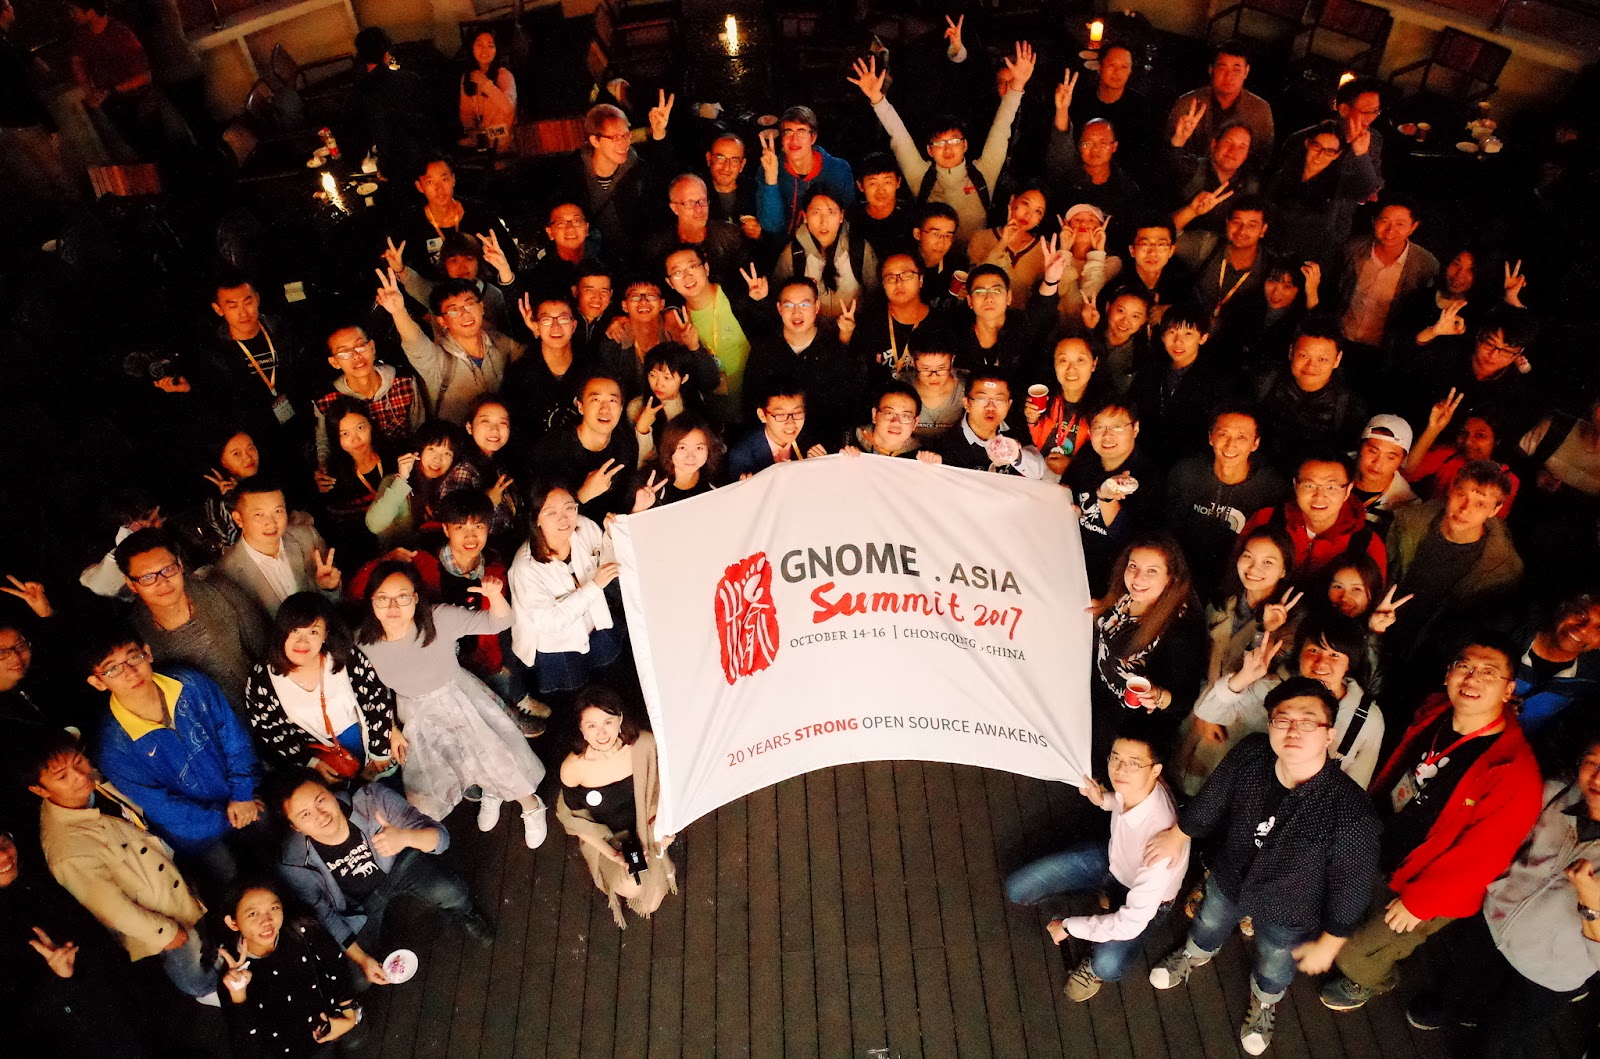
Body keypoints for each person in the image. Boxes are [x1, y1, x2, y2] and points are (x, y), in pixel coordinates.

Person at [1144, 678, 1381, 1056]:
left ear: (1329, 734)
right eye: (1282, 719)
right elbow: (1214, 795)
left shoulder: (1351, 812)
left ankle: (1265, 1000)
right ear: (1270, 725)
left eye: (1308, 721)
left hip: (1290, 906)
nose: (1293, 730)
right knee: (1209, 919)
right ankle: (1195, 953)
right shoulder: (1253, 753)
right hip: (1231, 873)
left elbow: (1351, 885)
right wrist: (1179, 833)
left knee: (1275, 958)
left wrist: (1331, 940)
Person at [1317, 637, 1541, 1014]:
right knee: (1349, 910)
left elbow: (1482, 859)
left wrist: (1420, 903)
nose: (1472, 678)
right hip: (1384, 844)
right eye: (1464, 666)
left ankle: (1369, 980)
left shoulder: (1515, 774)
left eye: (1489, 673)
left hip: (1429, 885)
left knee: (1358, 952)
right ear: (1448, 674)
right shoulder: (1436, 710)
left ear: (1509, 689)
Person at [1403, 734, 1600, 1056]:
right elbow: (1507, 842)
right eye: (1592, 761)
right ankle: (1452, 1006)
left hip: (1551, 971)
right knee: (1462, 979)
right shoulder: (1556, 793)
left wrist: (1592, 902)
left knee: (1500, 1039)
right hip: (1496, 919)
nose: (1598, 778)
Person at [355, 560, 547, 844]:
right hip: (415, 713)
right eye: (383, 598)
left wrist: (494, 597)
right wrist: (391, 728)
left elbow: (499, 622)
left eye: (402, 596)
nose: (393, 606)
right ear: (371, 602)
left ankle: (531, 805)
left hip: (458, 697)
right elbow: (372, 691)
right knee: (451, 765)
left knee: (493, 754)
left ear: (415, 598)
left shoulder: (439, 618)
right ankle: (491, 792)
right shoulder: (363, 643)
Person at [27, 733, 217, 1002]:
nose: (79, 776)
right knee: (192, 971)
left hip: (176, 883)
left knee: (207, 940)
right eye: (62, 776)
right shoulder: (66, 850)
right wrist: (164, 933)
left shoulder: (96, 784)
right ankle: (211, 992)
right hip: (163, 916)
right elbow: (112, 909)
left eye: (78, 761)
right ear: (39, 790)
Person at [1005, 733, 1189, 1002]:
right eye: (1115, 758)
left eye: (1133, 763)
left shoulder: (1159, 848)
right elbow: (1121, 799)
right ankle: (1099, 911)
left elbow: (1130, 925)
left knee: (1108, 966)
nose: (1120, 770)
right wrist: (1104, 799)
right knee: (1017, 889)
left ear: (1156, 770)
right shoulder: (1141, 785)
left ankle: (1093, 957)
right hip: (1112, 862)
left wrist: (1068, 926)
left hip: (1144, 898)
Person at [271, 769, 493, 986]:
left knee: (451, 892)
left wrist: (406, 837)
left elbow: (441, 839)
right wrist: (362, 959)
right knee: (359, 981)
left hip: (398, 866)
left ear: (330, 793)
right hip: (359, 905)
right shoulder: (293, 861)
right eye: (305, 815)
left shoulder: (370, 799)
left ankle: (467, 912)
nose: (320, 816)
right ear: (295, 826)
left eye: (320, 800)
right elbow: (325, 914)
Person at [85, 625, 265, 886]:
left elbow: (234, 737)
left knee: (276, 845)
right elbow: (164, 807)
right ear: (98, 682)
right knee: (231, 880)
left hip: (245, 797)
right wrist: (230, 816)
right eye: (112, 669)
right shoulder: (114, 746)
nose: (130, 673)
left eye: (134, 657)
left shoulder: (189, 684)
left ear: (148, 653)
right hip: (198, 835)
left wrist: (243, 794)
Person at [848, 42, 1035, 242]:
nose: (947, 148)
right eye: (939, 143)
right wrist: (877, 98)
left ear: (965, 145)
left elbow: (1001, 128)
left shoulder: (983, 173)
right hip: (930, 258)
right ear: (929, 150)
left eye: (954, 141)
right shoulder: (921, 176)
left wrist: (1017, 86)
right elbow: (899, 136)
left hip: (976, 258)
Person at [1184, 614, 1384, 794]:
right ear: (1299, 654)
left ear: (1350, 663)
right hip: (1239, 796)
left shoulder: (1367, 719)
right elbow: (1207, 711)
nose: (1321, 663)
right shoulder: (1270, 688)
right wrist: (1243, 677)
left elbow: (1355, 789)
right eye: (1313, 650)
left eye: (1334, 655)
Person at [0, 827, 149, 1056]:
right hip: (86, 1033)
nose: (4, 854)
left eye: (3, 841)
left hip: (118, 994)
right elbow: (16, 1025)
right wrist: (59, 978)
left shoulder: (33, 872)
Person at [555, 686, 676, 927]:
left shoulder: (643, 745)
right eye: (591, 726)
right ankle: (652, 864)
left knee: (650, 902)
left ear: (620, 719)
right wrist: (614, 855)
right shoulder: (573, 769)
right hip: (607, 838)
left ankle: (659, 857)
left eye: (608, 722)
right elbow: (577, 821)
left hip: (647, 826)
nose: (602, 733)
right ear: (581, 729)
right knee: (631, 885)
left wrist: (664, 828)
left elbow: (663, 791)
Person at [244, 593, 398, 781]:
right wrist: (310, 762)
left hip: (364, 735)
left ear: (325, 634)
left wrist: (379, 750)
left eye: (313, 632)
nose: (302, 642)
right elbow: (270, 729)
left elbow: (375, 698)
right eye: (295, 630)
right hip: (319, 753)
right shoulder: (263, 678)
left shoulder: (343, 656)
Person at [115, 526, 268, 716]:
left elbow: (263, 647)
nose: (162, 582)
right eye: (147, 577)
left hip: (263, 708)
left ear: (180, 565)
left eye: (168, 569)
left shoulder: (218, 590)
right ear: (131, 584)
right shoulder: (136, 637)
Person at [1088, 534, 1205, 764]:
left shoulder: (1180, 628)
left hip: (1132, 731)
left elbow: (1185, 697)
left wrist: (1158, 696)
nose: (1138, 577)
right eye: (1133, 566)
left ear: (1170, 578)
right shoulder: (1122, 597)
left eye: (1152, 571)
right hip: (1097, 706)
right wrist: (1098, 613)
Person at [217, 879, 365, 1056]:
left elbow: (336, 964)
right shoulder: (232, 977)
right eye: (253, 914)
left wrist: (348, 1016)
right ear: (233, 922)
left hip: (332, 1016)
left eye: (273, 908)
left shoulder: (302, 928)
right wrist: (238, 995)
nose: (267, 921)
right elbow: (247, 1048)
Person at [508, 484, 628, 699]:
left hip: (594, 624)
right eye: (551, 513)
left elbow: (606, 565)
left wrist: (611, 537)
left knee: (611, 682)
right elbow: (550, 622)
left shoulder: (584, 527)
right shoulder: (525, 567)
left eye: (569, 508)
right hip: (558, 645)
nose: (563, 519)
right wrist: (594, 586)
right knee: (575, 697)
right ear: (536, 519)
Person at [1165, 408, 1290, 599]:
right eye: (1223, 434)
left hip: (1237, 583)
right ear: (1211, 437)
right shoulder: (1187, 473)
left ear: (1255, 443)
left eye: (1241, 437)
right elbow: (1171, 529)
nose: (1231, 445)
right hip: (1182, 575)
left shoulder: (1270, 487)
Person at [378, 270, 525, 426]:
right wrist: (398, 311)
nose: (464, 314)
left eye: (469, 304)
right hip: (456, 439)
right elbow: (414, 341)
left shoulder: (500, 342)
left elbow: (530, 356)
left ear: (482, 307)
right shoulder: (437, 359)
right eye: (453, 310)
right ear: (442, 321)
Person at [554, 96, 674, 266]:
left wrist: (659, 133)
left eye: (626, 135)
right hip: (591, 262)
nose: (624, 143)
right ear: (595, 140)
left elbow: (668, 180)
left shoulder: (638, 170)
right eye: (615, 137)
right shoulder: (573, 173)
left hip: (637, 259)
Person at [1336, 196, 1440, 386]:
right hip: (1341, 341)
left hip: (1382, 353)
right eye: (1384, 221)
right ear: (1373, 221)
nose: (1390, 230)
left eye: (1400, 224)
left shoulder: (1426, 265)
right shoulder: (1353, 249)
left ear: (1413, 227)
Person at [661, 244, 770, 423]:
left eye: (693, 266)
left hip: (757, 404)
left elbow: (769, 334)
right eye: (677, 272)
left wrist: (760, 302)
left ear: (706, 268)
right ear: (670, 282)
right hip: (716, 414)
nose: (687, 276)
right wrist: (693, 348)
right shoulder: (678, 320)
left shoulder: (737, 294)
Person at [743, 277, 861, 440]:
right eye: (789, 305)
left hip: (822, 443)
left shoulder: (832, 346)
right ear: (779, 308)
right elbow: (751, 401)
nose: (796, 312)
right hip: (776, 442)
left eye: (805, 304)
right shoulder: (765, 348)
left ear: (817, 307)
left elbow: (844, 404)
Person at [1239, 452, 1388, 580]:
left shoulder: (1367, 543)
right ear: (1295, 485)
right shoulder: (1266, 519)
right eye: (1309, 485)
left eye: (1331, 487)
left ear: (1348, 490)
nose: (1319, 496)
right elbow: (1236, 573)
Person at [1066, 400, 1164, 592]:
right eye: (1099, 427)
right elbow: (1065, 493)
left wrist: (1106, 499)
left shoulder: (1149, 476)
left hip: (1114, 582)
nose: (1107, 435)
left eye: (1117, 427)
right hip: (1073, 565)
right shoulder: (1086, 458)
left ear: (1135, 428)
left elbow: (1133, 541)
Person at [217, 477, 341, 619]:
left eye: (278, 511)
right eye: (259, 514)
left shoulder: (306, 537)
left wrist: (329, 588)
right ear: (238, 519)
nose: (271, 523)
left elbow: (336, 605)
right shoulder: (227, 574)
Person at [1128, 303, 1235, 467]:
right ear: (1162, 336)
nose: (1178, 341)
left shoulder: (1217, 381)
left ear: (1203, 338)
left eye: (1188, 334)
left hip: (1190, 464)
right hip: (1145, 458)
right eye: (1172, 332)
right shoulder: (1152, 368)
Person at [1253, 322, 1367, 474]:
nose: (1311, 366)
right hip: (1260, 469)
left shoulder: (1348, 404)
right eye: (1304, 356)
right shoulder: (1265, 382)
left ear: (1337, 359)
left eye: (1322, 359)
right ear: (1291, 352)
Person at [528, 374, 642, 523]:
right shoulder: (551, 449)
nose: (605, 409)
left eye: (612, 401)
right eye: (596, 400)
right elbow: (539, 515)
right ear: (581, 407)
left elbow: (625, 500)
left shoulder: (625, 442)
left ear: (621, 408)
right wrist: (583, 495)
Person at [312, 323, 424, 471]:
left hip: (405, 464)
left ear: (372, 347)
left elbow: (419, 428)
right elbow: (324, 441)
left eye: (360, 346)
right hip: (359, 470)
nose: (356, 356)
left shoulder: (403, 381)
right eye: (344, 353)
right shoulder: (326, 400)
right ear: (335, 362)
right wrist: (323, 468)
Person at [1203, 524, 1297, 685]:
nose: (1254, 568)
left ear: (1284, 570)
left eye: (1267, 562)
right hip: (1205, 695)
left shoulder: (1293, 617)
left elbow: (1267, 677)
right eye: (1248, 556)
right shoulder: (1221, 601)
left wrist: (1266, 630)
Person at [771, 188, 878, 318]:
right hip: (810, 330)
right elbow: (779, 298)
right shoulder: (793, 253)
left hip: (855, 327)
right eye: (816, 213)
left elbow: (875, 295)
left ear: (841, 216)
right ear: (805, 216)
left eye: (831, 213)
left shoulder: (859, 248)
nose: (823, 222)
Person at [1165, 40, 1275, 165]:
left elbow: (1263, 158)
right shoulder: (1187, 103)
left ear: (1246, 71)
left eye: (1236, 70)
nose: (1229, 77)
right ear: (1211, 70)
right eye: (1222, 68)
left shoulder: (1260, 109)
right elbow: (1169, 151)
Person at [755, 104, 856, 238]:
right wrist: (771, 179)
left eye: (802, 131)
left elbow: (848, 220)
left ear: (813, 138)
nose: (794, 139)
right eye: (788, 132)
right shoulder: (767, 168)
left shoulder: (838, 169)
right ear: (782, 139)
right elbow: (772, 226)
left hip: (824, 244)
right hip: (780, 246)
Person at [363, 419, 465, 549]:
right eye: (432, 449)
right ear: (419, 450)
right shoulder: (395, 482)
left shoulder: (452, 484)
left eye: (447, 453)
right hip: (398, 556)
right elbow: (375, 524)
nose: (438, 459)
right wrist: (402, 479)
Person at [934, 372, 1043, 478]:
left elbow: (1040, 471)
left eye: (999, 400)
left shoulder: (1016, 425)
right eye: (982, 399)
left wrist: (1016, 454)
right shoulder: (950, 445)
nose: (990, 407)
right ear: (966, 403)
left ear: (1009, 405)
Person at [644, 173, 746, 282]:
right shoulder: (659, 247)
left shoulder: (731, 236)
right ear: (674, 208)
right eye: (690, 203)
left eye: (702, 201)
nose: (699, 209)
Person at [964, 185, 1051, 307]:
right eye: (1026, 204)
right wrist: (1003, 243)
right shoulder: (981, 238)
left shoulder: (1045, 249)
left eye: (1038, 211)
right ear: (1012, 200)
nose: (1028, 214)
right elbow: (974, 284)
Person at [727, 385, 830, 479]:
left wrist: (826, 467)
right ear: (762, 415)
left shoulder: (810, 444)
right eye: (780, 415)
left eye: (798, 412)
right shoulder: (742, 456)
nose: (791, 423)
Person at [1350, 413, 1419, 531]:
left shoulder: (1407, 506)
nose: (1378, 464)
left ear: (1402, 460)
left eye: (1390, 457)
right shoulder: (1333, 470)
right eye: (1373, 451)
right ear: (1360, 446)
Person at [841, 382, 941, 463]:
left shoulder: (923, 455)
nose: (896, 422)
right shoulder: (847, 440)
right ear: (875, 414)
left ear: (915, 423)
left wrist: (935, 467)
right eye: (889, 413)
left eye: (905, 416)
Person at [458, 29, 515, 153]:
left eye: (490, 46)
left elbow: (508, 109)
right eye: (479, 45)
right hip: (482, 141)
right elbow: (466, 112)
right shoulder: (468, 76)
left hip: (504, 141)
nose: (485, 51)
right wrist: (471, 131)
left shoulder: (504, 75)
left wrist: (485, 84)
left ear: (497, 50)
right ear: (472, 47)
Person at [899, 340, 966, 445]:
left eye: (941, 368)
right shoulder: (901, 387)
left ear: (952, 360)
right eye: (926, 369)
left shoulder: (967, 387)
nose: (934, 376)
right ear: (913, 362)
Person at [651, 414, 722, 505]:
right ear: (668, 448)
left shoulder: (715, 477)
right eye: (682, 448)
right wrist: (639, 508)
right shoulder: (651, 483)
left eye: (699, 448)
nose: (690, 457)